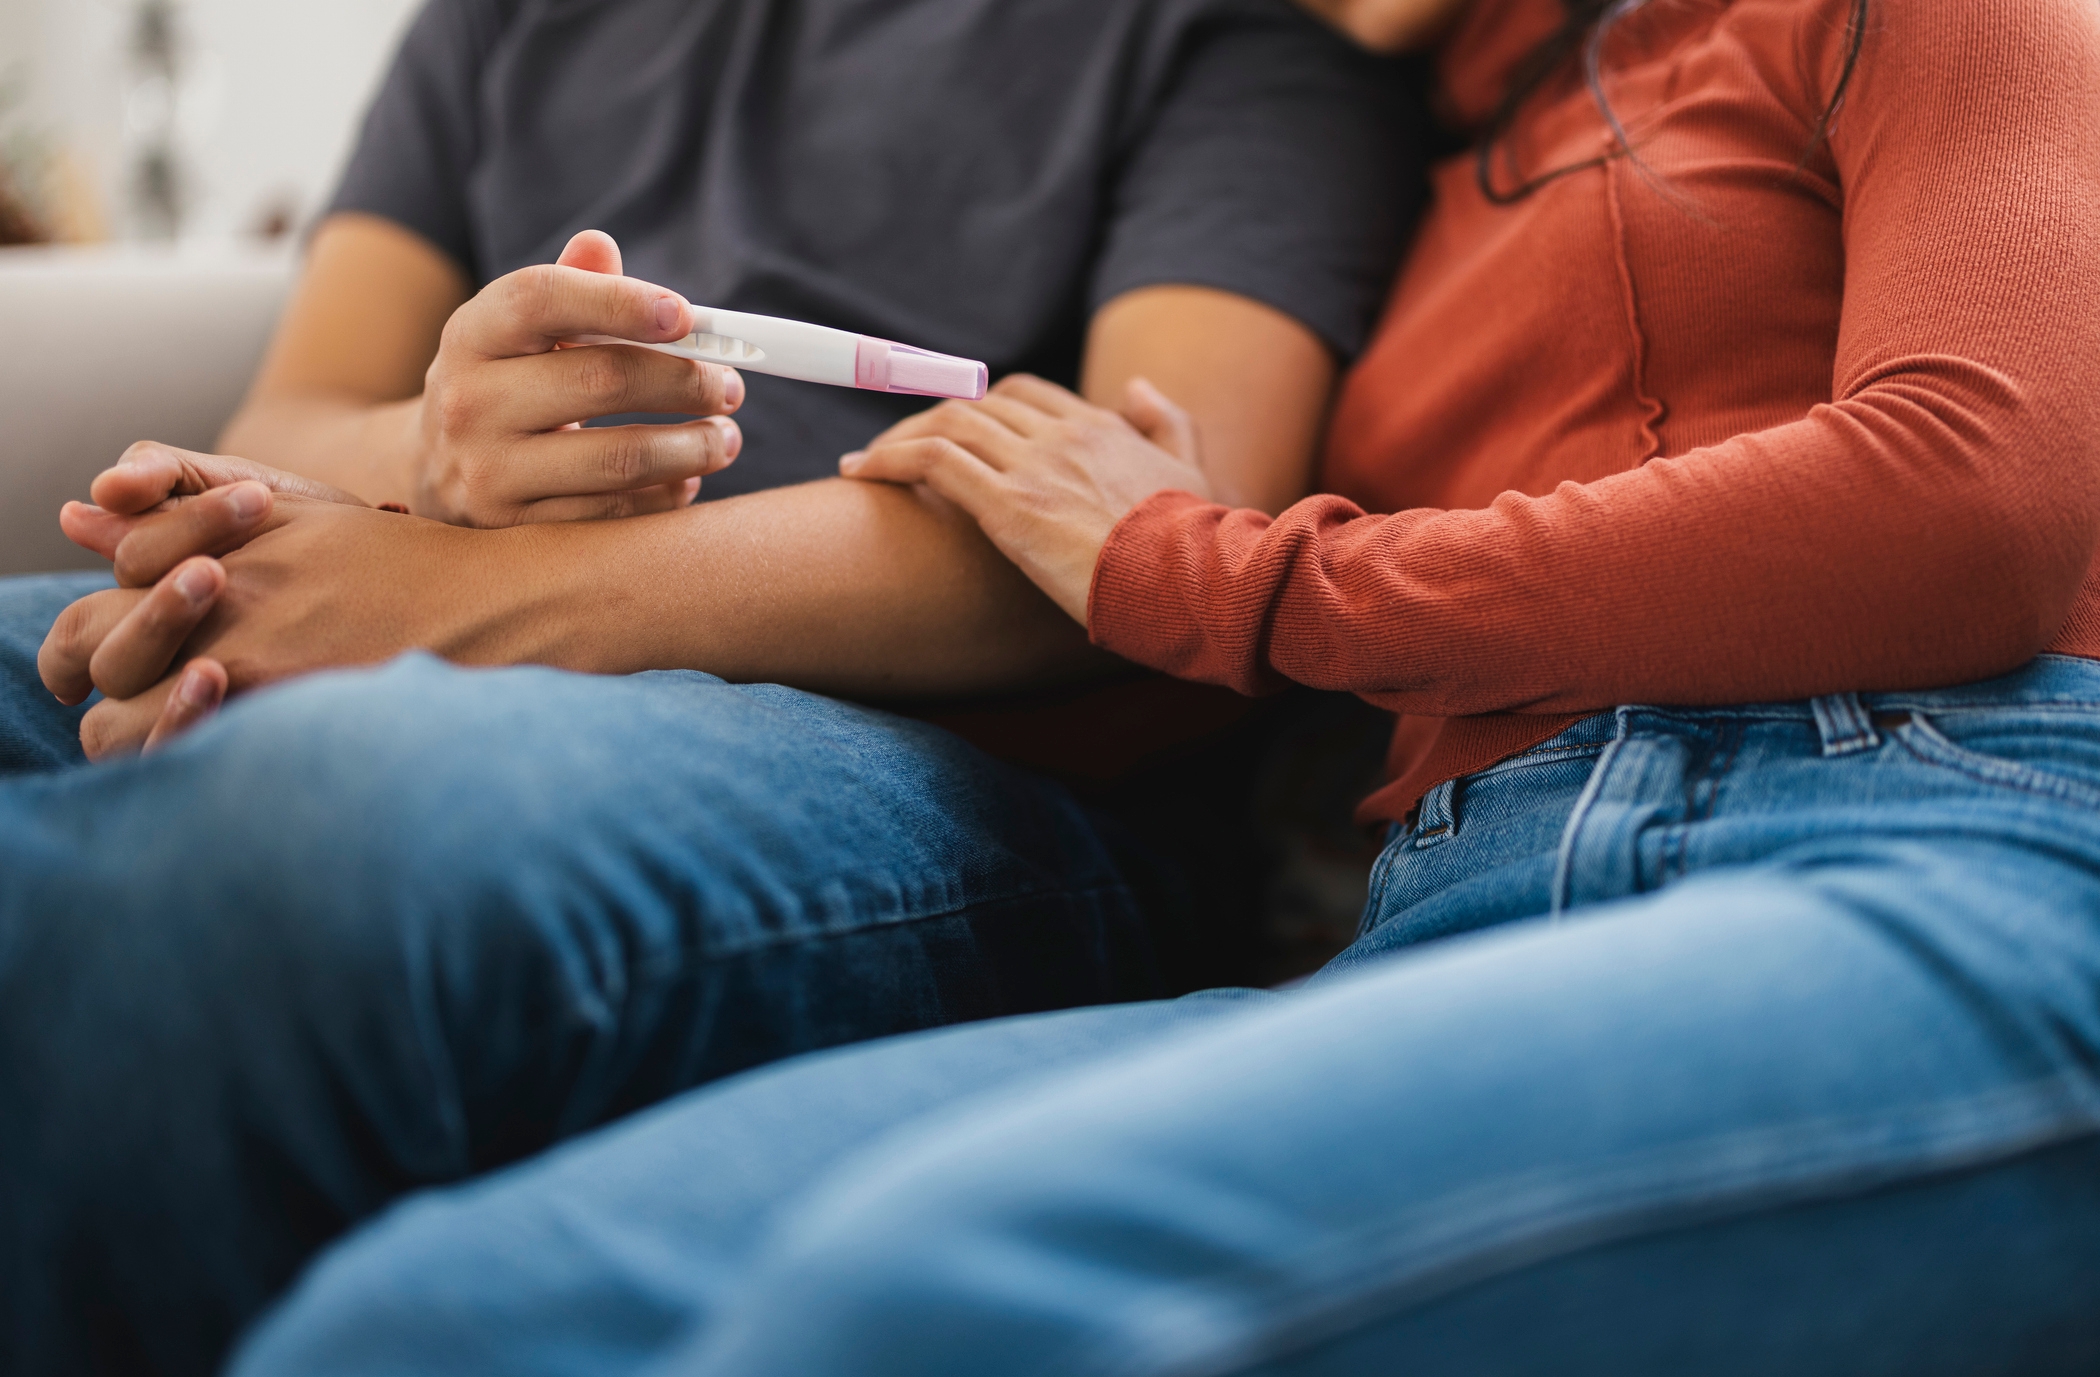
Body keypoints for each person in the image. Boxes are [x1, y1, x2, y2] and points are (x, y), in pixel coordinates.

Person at [151, 0, 2100, 1369]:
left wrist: (1214, 569)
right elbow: (1162, 660)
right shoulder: (1388, 186)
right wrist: (361, 588)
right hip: (1457, 916)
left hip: (1952, 835)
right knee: (451, 1315)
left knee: (934, 1302)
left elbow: (1969, 497)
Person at [0, 1, 1430, 1372]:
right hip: (459, 623)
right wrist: (435, 457)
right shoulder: (506, 21)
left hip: (977, 781)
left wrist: (441, 600)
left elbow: (1172, 533)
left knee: (314, 821)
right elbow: (290, 418)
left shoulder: (1242, 34)